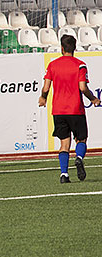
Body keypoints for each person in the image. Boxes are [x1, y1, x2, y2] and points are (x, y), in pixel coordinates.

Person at [38, 35, 101, 183]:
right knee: (81, 139)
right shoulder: (80, 65)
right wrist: (93, 99)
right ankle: (79, 158)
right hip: (75, 109)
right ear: (75, 48)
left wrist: (43, 98)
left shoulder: (53, 65)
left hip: (58, 111)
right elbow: (82, 87)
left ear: (61, 48)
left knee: (64, 144)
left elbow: (46, 87)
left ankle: (64, 175)